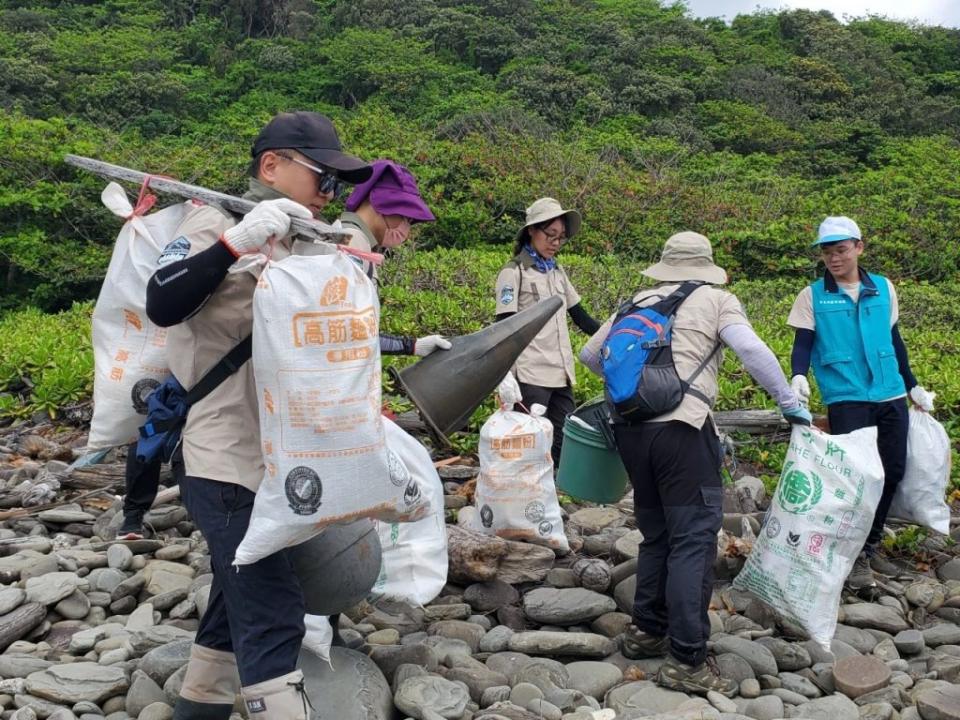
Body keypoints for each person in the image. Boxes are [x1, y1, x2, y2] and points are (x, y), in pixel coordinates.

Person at [144, 111, 373, 720]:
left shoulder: (306, 239)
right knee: (271, 604)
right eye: (323, 179)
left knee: (233, 591)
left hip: (287, 457)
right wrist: (232, 246)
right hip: (223, 455)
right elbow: (162, 301)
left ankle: (201, 708)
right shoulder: (212, 223)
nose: (331, 195)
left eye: (338, 187)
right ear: (272, 166)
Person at [579, 231, 811, 697]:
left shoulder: (635, 301)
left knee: (658, 535)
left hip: (630, 431)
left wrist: (640, 394)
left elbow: (590, 355)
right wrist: (788, 401)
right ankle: (687, 657)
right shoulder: (716, 300)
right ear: (707, 266)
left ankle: (646, 631)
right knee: (692, 540)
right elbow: (751, 351)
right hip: (682, 432)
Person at [788, 216, 934, 592]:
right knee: (856, 477)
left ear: (858, 247)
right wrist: (799, 374)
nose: (833, 259)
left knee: (893, 470)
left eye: (840, 250)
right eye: (826, 252)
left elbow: (894, 341)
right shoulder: (813, 295)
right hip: (846, 395)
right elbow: (803, 342)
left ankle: (869, 545)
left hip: (890, 393)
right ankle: (849, 555)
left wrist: (913, 386)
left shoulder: (884, 289)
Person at [494, 197, 601, 465]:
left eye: (561, 237)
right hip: (531, 373)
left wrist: (616, 337)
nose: (555, 242)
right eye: (550, 235)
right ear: (532, 231)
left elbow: (581, 317)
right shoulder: (514, 272)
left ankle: (551, 496)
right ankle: (523, 496)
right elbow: (504, 326)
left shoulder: (557, 273)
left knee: (563, 439)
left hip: (560, 372)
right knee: (529, 441)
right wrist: (504, 374)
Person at [339, 158, 450, 357]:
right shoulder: (351, 244)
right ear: (378, 204)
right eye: (404, 217)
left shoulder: (362, 244)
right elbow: (344, 331)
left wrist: (413, 346)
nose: (406, 228)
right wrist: (407, 345)